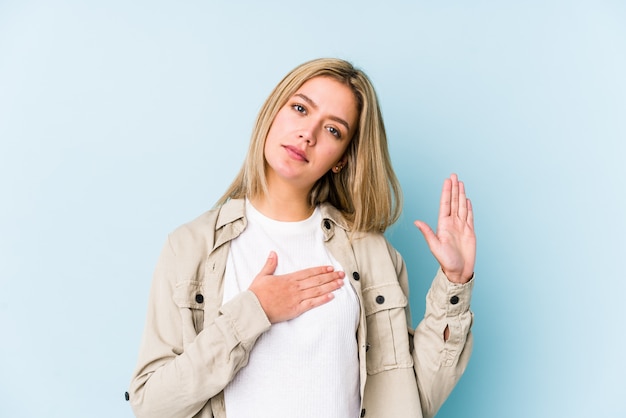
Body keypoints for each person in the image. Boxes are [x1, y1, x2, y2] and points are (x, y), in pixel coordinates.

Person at [128, 58, 475, 418]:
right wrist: (252, 312)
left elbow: (408, 400)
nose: (307, 134)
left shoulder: (371, 254)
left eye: (333, 130)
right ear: (273, 113)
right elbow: (153, 407)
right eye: (299, 108)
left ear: (341, 159)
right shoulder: (189, 248)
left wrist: (455, 282)